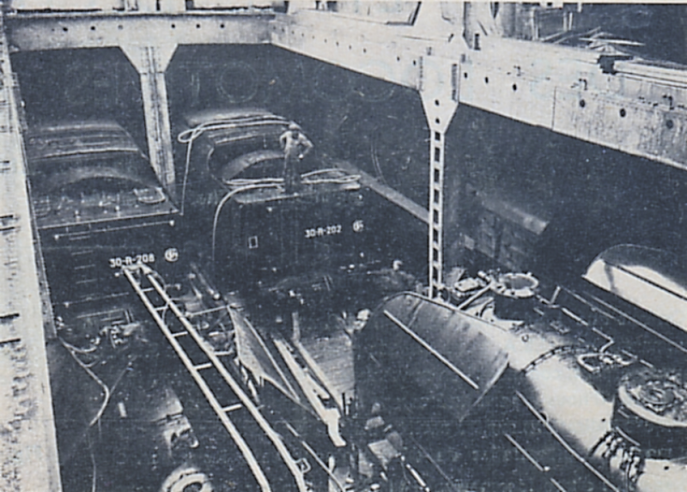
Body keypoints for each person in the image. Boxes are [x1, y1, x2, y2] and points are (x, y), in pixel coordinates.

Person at [279, 123, 313, 194]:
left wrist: (302, 155)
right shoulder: (288, 134)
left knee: (295, 173)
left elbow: (310, 146)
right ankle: (286, 188)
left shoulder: (301, 138)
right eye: (292, 130)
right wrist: (283, 147)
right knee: (286, 172)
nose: (294, 132)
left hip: (296, 157)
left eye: (296, 131)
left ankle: (296, 189)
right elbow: (281, 138)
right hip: (288, 156)